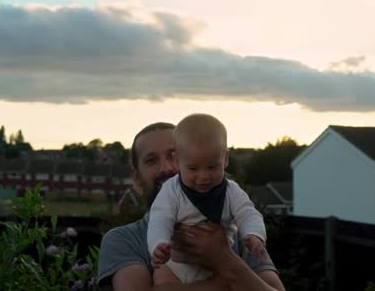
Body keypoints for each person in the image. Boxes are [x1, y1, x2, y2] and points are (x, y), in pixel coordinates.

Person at [97, 122, 286, 291]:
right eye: (152, 160)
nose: (168, 168)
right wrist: (229, 282)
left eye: (174, 156)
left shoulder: (238, 232)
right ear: (137, 179)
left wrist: (224, 258)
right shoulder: (125, 240)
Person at [148, 114, 267, 285]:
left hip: (217, 267)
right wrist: (159, 244)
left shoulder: (231, 191)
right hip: (175, 265)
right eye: (193, 168)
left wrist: (254, 234)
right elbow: (160, 219)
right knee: (162, 278)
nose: (203, 177)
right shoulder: (171, 191)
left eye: (212, 167)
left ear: (225, 159)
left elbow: (248, 213)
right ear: (177, 161)